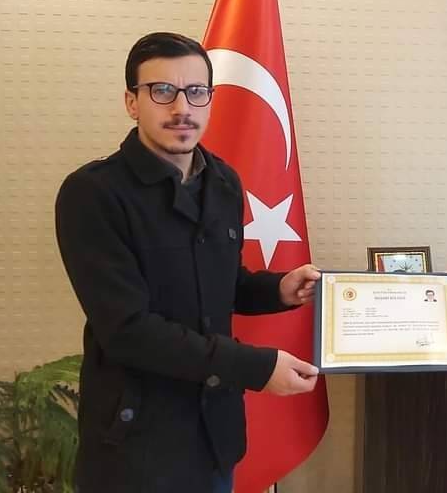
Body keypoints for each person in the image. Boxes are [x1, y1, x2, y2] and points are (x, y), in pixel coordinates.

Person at [55, 32, 321, 493]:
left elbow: (220, 285)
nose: (182, 108)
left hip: (214, 435)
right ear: (132, 102)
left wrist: (278, 289)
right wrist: (256, 367)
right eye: (162, 91)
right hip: (137, 445)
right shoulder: (93, 194)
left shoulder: (223, 182)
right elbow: (128, 331)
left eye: (197, 92)